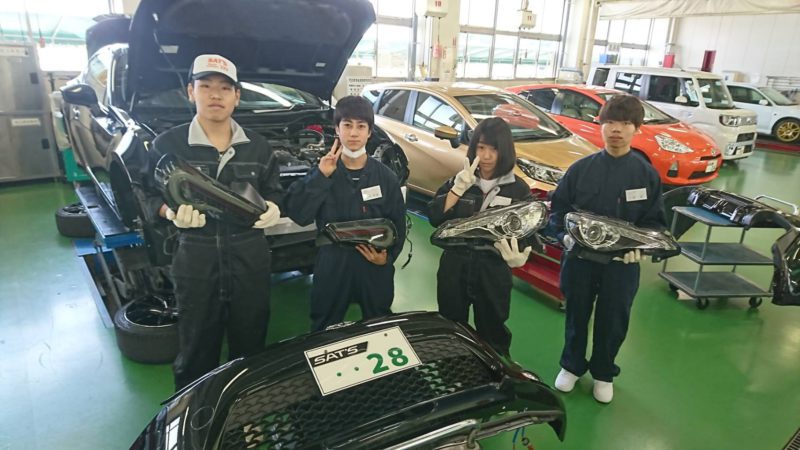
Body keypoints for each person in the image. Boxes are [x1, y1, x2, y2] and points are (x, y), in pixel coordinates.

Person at [151, 54, 283, 390]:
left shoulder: (258, 147)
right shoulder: (168, 145)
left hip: (249, 256)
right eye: (205, 86)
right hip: (195, 256)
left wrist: (274, 207)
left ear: (237, 96)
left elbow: (274, 190)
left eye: (225, 88)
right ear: (190, 92)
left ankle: (246, 407)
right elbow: (144, 194)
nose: (215, 95)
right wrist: (168, 212)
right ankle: (192, 412)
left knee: (251, 343)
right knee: (196, 345)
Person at [548, 94, 666, 403]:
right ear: (600, 125)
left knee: (614, 319)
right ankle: (571, 366)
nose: (616, 129)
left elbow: (655, 222)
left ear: (637, 128)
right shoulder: (580, 169)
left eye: (625, 123)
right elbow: (557, 211)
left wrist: (641, 247)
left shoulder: (646, 174)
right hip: (580, 259)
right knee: (576, 314)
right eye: (610, 122)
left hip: (622, 265)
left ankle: (603, 373)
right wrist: (564, 237)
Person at [284, 96, 406, 331]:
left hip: (373, 261)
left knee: (380, 322)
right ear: (337, 129)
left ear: (369, 132)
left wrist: (387, 258)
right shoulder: (323, 172)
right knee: (324, 323)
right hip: (333, 259)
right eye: (347, 125)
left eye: (361, 126)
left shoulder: (386, 178)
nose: (354, 133)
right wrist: (320, 177)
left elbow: (398, 224)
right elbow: (299, 214)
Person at [428, 117, 534, 357]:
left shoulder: (518, 189)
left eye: (493, 149)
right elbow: (434, 217)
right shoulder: (461, 179)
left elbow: (528, 230)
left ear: (505, 150)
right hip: (455, 264)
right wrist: (457, 190)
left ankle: (495, 372)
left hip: (493, 268)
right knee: (450, 326)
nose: (486, 156)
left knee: (493, 329)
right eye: (481, 147)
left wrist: (520, 257)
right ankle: (453, 369)